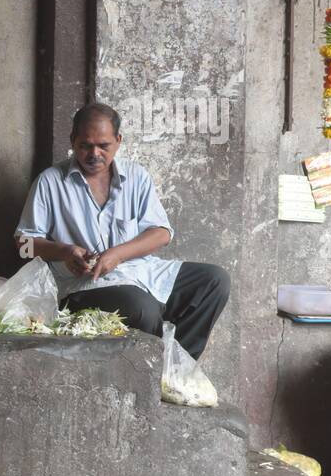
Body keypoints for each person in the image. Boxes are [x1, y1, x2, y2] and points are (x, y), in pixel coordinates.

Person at [15, 102, 230, 359]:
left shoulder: (136, 177)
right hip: (83, 286)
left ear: (118, 141)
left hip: (142, 273)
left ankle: (177, 366)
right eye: (85, 145)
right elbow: (23, 245)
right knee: (141, 308)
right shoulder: (50, 181)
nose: (94, 153)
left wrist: (118, 254)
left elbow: (162, 233)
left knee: (214, 280)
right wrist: (64, 251)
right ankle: (152, 372)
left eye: (103, 146)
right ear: (73, 140)